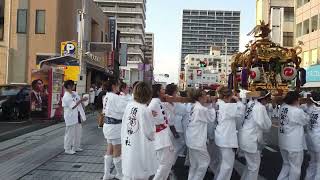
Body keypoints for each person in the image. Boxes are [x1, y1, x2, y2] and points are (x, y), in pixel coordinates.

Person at [121, 82, 157, 180]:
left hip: (128, 144)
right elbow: (150, 133)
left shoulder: (130, 105)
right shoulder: (144, 110)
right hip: (139, 148)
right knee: (139, 174)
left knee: (128, 173)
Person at [238, 90, 272, 180]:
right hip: (251, 138)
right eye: (268, 99)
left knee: (250, 165)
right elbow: (261, 123)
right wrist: (268, 126)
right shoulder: (260, 107)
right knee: (254, 166)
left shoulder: (250, 104)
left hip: (244, 135)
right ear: (263, 99)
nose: (269, 101)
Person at [214, 86, 245, 180]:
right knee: (227, 165)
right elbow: (241, 111)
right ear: (227, 97)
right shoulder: (227, 106)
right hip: (227, 138)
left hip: (221, 136)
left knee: (222, 162)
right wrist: (238, 100)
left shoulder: (219, 103)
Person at [277, 91, 309, 180]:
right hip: (294, 144)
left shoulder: (283, 108)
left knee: (286, 165)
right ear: (296, 100)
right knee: (295, 168)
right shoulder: (297, 111)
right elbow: (305, 120)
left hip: (283, 141)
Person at [102, 79, 130, 180]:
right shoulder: (115, 97)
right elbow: (126, 109)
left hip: (107, 125)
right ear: (114, 86)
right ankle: (120, 174)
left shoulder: (107, 96)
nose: (119, 87)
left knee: (109, 149)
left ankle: (107, 174)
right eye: (118, 85)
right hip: (115, 127)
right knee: (117, 151)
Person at [186, 88, 216, 180]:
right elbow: (211, 118)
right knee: (204, 162)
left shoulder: (193, 106)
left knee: (194, 164)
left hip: (191, 138)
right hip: (197, 140)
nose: (206, 97)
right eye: (204, 95)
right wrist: (211, 106)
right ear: (199, 97)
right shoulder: (200, 109)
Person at [148, 84, 175, 180]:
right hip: (160, 135)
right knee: (164, 163)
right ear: (158, 92)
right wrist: (150, 116)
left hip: (164, 134)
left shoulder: (159, 101)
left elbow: (170, 112)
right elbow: (148, 114)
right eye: (162, 89)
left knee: (168, 161)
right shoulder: (154, 103)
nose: (164, 90)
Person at [62, 80, 87, 155]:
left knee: (78, 132)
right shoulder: (66, 96)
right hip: (70, 117)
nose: (74, 86)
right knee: (70, 133)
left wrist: (82, 100)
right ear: (69, 86)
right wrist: (81, 100)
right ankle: (67, 148)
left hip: (77, 115)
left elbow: (78, 100)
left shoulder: (73, 93)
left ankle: (76, 146)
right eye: (73, 85)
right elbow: (73, 106)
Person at [305, 91, 320, 180]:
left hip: (310, 140)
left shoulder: (309, 109)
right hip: (318, 140)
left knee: (313, 162)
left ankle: (308, 178)